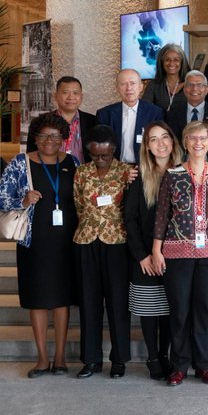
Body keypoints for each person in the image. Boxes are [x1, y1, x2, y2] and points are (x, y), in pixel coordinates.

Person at [151, 121, 208, 387]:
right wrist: (156, 249)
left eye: (203, 138)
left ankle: (202, 364)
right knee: (180, 310)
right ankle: (178, 365)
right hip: (177, 251)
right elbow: (162, 214)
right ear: (185, 143)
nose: (198, 143)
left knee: (205, 309)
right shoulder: (173, 174)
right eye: (192, 138)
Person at [0, 112, 78, 377]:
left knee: (62, 299)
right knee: (38, 299)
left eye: (55, 136)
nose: (49, 141)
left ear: (64, 138)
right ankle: (42, 359)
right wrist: (23, 199)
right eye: (44, 136)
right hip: (35, 242)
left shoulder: (73, 162)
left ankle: (61, 358)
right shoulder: (21, 163)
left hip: (67, 243)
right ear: (36, 137)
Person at [72, 124, 133, 379]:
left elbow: (130, 208)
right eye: (94, 155)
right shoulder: (81, 172)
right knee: (89, 302)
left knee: (118, 303)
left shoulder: (126, 172)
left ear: (114, 150)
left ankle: (119, 360)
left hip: (117, 243)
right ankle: (91, 359)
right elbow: (78, 204)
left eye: (104, 155)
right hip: (86, 241)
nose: (99, 159)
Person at [124, 121, 182, 380]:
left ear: (172, 140)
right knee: (150, 309)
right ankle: (153, 356)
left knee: (171, 308)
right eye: (154, 139)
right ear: (147, 147)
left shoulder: (184, 172)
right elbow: (130, 219)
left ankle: (167, 353)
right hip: (146, 255)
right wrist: (141, 256)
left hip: (178, 255)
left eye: (164, 137)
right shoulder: (139, 177)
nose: (160, 144)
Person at [96, 69, 164, 165]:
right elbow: (100, 147)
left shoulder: (155, 113)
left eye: (133, 83)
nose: (129, 88)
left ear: (141, 87)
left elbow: (159, 145)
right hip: (114, 169)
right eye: (123, 84)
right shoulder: (105, 114)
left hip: (145, 169)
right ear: (117, 88)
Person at [27, 76, 96, 164]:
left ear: (81, 97)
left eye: (75, 93)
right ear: (56, 96)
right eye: (65, 92)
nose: (71, 97)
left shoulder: (93, 121)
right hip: (51, 174)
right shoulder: (41, 122)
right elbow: (31, 154)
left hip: (82, 175)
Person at [141, 43, 190, 110]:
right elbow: (144, 108)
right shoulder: (154, 84)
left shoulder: (191, 83)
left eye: (176, 60)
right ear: (161, 62)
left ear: (182, 62)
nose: (171, 63)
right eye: (167, 60)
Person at [166, 69, 208, 138]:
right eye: (190, 85)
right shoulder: (172, 114)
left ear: (206, 90)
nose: (194, 88)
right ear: (184, 89)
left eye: (199, 85)